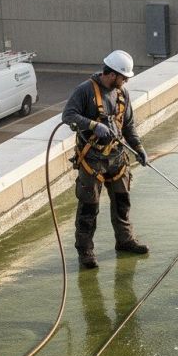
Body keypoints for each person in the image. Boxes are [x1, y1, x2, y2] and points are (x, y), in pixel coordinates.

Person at [62, 50, 149, 269]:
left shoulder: (122, 94)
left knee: (122, 202)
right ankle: (86, 251)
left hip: (118, 159)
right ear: (111, 74)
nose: (126, 81)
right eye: (123, 77)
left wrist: (138, 148)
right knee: (89, 208)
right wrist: (93, 125)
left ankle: (125, 240)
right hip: (92, 161)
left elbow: (128, 125)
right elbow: (68, 115)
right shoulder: (85, 91)